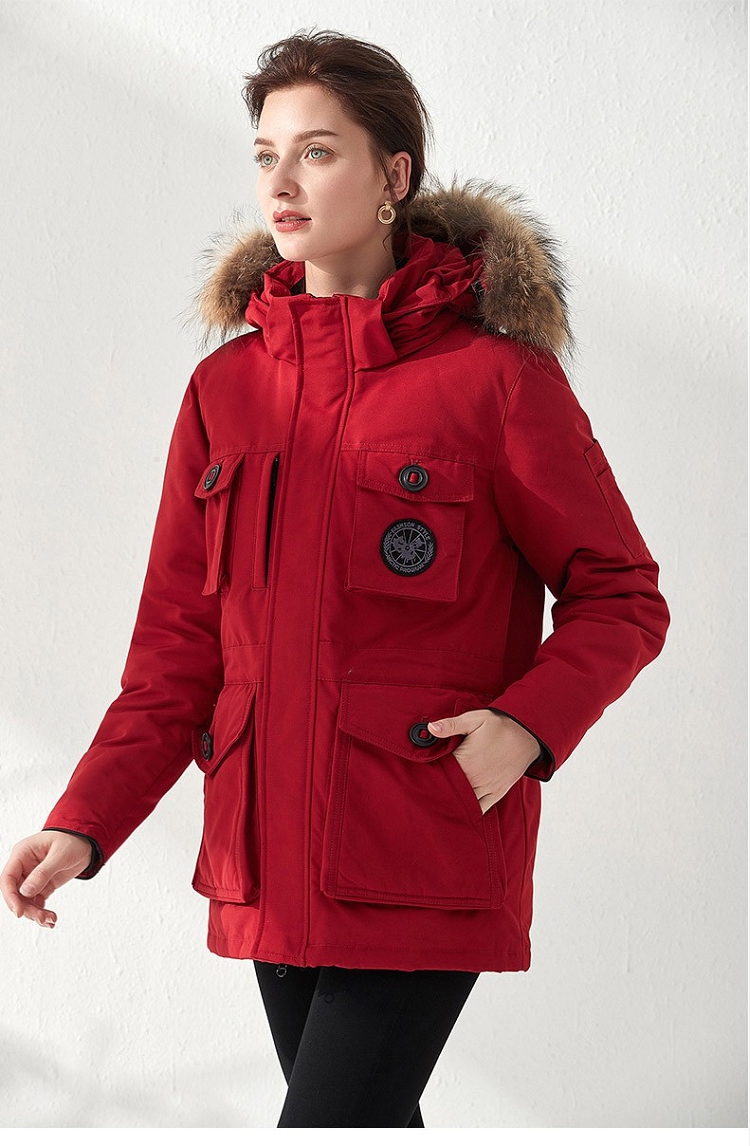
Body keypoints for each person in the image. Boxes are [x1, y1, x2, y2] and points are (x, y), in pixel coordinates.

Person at [1, 30, 670, 1128]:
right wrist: (85, 821)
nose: (281, 183)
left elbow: (623, 594)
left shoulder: (496, 381)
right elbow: (177, 653)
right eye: (266, 155)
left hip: (421, 841)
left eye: (317, 152)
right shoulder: (226, 390)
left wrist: (526, 726)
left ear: (393, 175)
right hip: (265, 858)